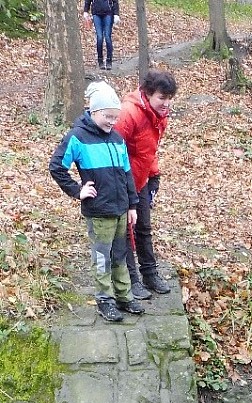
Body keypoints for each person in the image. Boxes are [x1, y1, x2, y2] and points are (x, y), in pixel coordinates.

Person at [49, 81, 144, 323]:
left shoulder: (117, 139)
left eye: (115, 117)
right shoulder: (77, 138)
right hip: (99, 211)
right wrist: (77, 190)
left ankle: (124, 295)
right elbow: (57, 166)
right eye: (107, 116)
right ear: (93, 112)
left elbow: (126, 174)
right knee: (102, 256)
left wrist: (132, 205)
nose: (112, 121)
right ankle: (105, 300)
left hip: (121, 208)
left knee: (120, 254)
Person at [114, 69, 178, 299]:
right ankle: (131, 280)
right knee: (125, 231)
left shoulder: (159, 115)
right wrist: (122, 185)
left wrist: (154, 174)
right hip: (121, 181)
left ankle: (149, 274)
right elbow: (113, 149)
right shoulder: (128, 113)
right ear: (148, 93)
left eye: (169, 98)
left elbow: (149, 149)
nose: (166, 103)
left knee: (143, 228)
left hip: (142, 178)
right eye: (162, 97)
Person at [83, 0, 119, 71]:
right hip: (96, 13)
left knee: (107, 37)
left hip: (108, 13)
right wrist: (86, 10)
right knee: (99, 37)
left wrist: (116, 14)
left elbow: (115, 1)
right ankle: (100, 60)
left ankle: (109, 60)